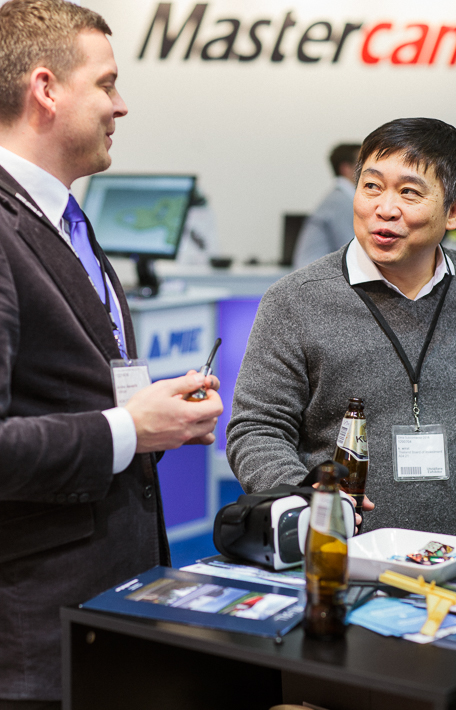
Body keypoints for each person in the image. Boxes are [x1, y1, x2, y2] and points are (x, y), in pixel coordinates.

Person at [0, 1, 223, 706]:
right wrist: (130, 428)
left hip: (106, 603)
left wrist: (151, 419)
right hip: (34, 629)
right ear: (45, 89)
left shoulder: (63, 217)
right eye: (106, 83)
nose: (120, 106)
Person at [227, 117, 456, 540]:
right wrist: (306, 497)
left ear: (453, 211)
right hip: (343, 552)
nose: (385, 208)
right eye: (371, 186)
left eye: (409, 192)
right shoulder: (295, 300)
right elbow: (256, 429)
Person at [293, 143, 361, 269]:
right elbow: (354, 251)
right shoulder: (341, 202)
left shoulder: (339, 198)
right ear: (346, 168)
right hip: (314, 276)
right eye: (362, 164)